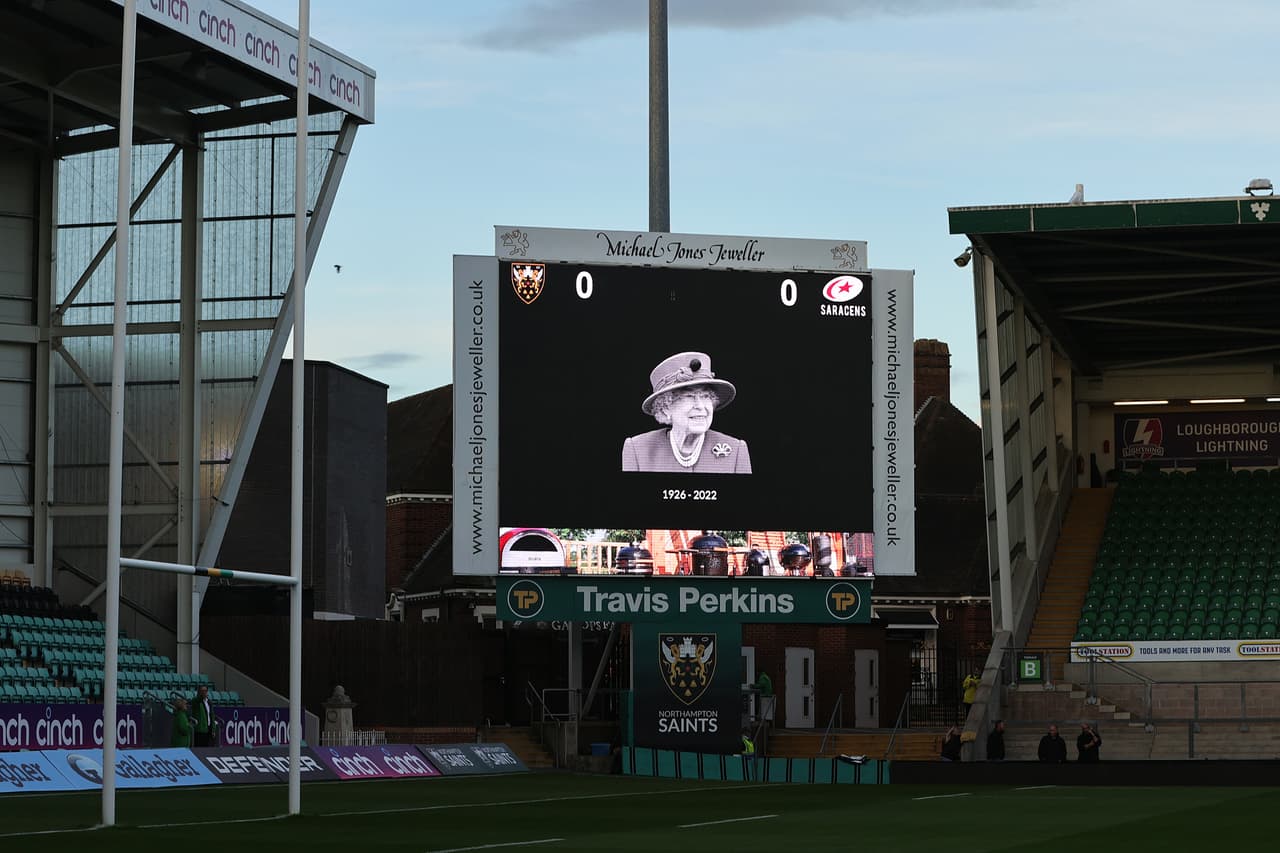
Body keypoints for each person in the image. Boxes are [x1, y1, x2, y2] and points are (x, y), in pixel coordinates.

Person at [622, 352, 752, 474]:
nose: (700, 406)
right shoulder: (637, 450)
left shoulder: (736, 451)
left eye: (706, 396)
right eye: (689, 396)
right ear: (665, 407)